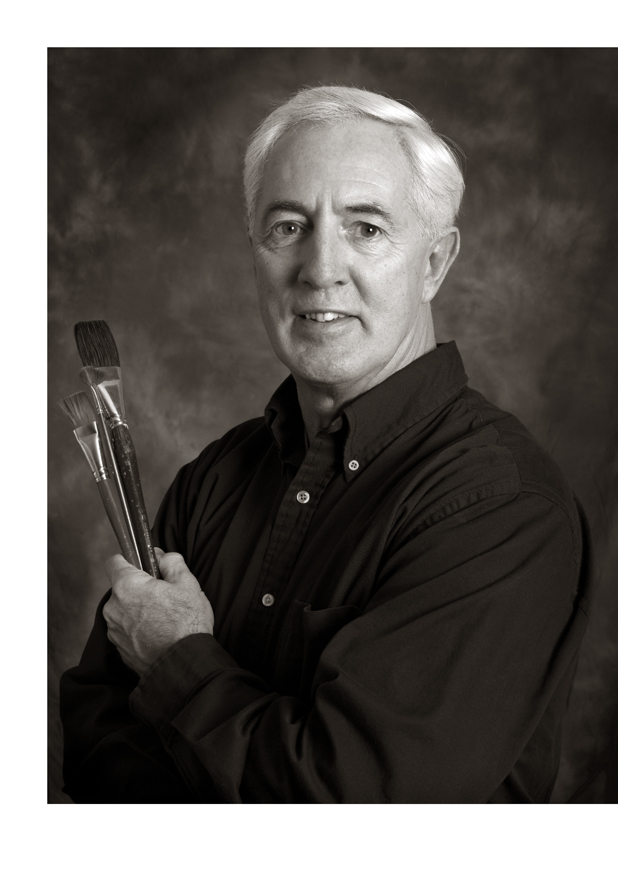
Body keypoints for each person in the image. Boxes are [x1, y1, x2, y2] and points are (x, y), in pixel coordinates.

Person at [60, 85, 591, 803]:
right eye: (287, 227)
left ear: (433, 263)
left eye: (366, 228)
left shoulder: (498, 507)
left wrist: (177, 660)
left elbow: (356, 806)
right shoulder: (215, 478)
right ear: (255, 253)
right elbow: (95, 731)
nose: (319, 269)